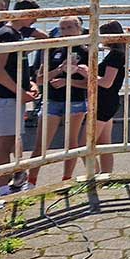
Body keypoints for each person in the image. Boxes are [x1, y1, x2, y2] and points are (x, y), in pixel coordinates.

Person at [27, 15, 90, 185]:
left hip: (76, 100)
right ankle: (30, 181)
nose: (66, 32)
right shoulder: (52, 48)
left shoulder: (86, 51)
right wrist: (59, 70)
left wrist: (68, 81)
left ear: (79, 29)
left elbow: (91, 82)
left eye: (70, 27)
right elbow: (40, 79)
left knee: (71, 142)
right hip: (52, 100)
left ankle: (66, 180)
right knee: (41, 143)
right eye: (63, 28)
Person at [0, 0, 42, 196]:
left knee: (9, 140)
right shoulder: (6, 34)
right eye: (34, 15)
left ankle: (4, 183)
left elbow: (14, 67)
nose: (36, 20)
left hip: (12, 97)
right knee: (5, 143)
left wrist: (29, 84)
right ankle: (2, 188)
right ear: (24, 13)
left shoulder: (15, 33)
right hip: (6, 98)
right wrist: (20, 93)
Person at [81, 20, 127, 176]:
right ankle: (106, 176)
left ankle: (94, 175)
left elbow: (106, 82)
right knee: (104, 143)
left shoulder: (115, 56)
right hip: (109, 101)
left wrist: (87, 73)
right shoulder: (118, 54)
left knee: (84, 144)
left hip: (104, 102)